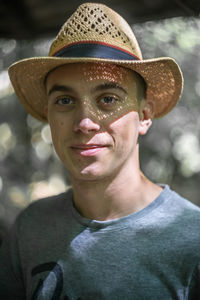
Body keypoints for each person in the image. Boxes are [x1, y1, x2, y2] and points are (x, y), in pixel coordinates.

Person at [0, 2, 199, 299]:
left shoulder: (191, 239)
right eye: (65, 101)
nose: (84, 123)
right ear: (49, 116)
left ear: (144, 116)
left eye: (107, 99)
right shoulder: (30, 229)